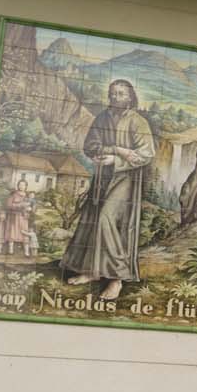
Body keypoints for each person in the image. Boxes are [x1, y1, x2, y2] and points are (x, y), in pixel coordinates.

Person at [61, 79, 155, 300]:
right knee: (93, 219)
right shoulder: (102, 118)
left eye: (120, 93)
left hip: (126, 179)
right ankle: (91, 271)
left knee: (106, 219)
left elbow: (146, 154)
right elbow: (90, 146)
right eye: (112, 93)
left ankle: (116, 278)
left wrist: (117, 159)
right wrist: (116, 150)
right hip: (102, 177)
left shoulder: (138, 121)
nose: (115, 97)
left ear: (130, 97)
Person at [0, 177, 35, 256]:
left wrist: (30, 209)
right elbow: (9, 205)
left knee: (24, 233)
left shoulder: (28, 196)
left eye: (23, 185)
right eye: (20, 185)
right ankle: (11, 250)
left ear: (26, 186)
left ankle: (26, 252)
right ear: (18, 185)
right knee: (12, 233)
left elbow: (32, 205)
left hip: (24, 217)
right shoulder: (13, 195)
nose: (21, 186)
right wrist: (20, 205)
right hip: (14, 216)